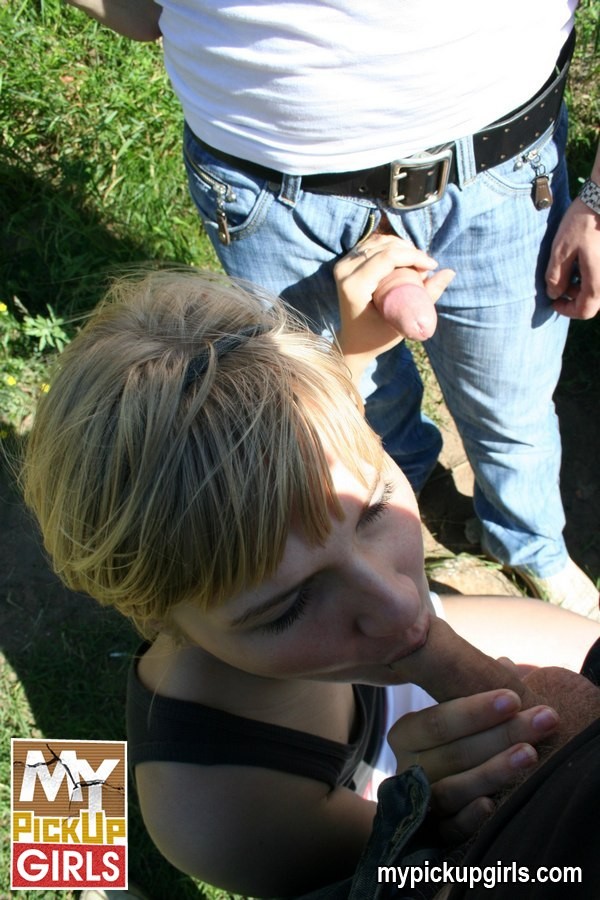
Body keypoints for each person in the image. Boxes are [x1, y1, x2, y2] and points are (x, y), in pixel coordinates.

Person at [22, 249, 600, 898]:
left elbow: (292, 462)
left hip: (372, 692)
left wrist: (350, 354)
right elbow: (389, 876)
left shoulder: (366, 593)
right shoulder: (212, 816)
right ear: (151, 613)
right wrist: (426, 820)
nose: (403, 603)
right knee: (67, 828)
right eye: (288, 606)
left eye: (375, 505)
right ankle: (83, 868)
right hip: (285, 770)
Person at [64, 0, 600, 620]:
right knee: (337, 412)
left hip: (504, 166)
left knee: (511, 406)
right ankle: (399, 503)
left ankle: (530, 546)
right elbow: (138, 13)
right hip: (265, 191)